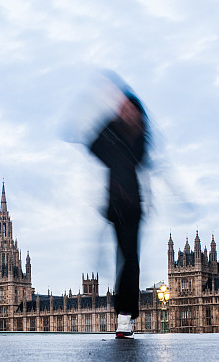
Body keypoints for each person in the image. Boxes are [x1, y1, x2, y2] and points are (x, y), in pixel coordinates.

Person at [87, 92, 149, 338]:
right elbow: (94, 147)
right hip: (115, 206)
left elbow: (140, 158)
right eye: (123, 108)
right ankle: (124, 314)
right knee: (125, 257)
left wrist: (129, 133)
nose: (126, 112)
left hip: (133, 204)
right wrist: (112, 125)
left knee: (130, 257)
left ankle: (125, 315)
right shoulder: (112, 133)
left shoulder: (139, 138)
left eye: (130, 109)